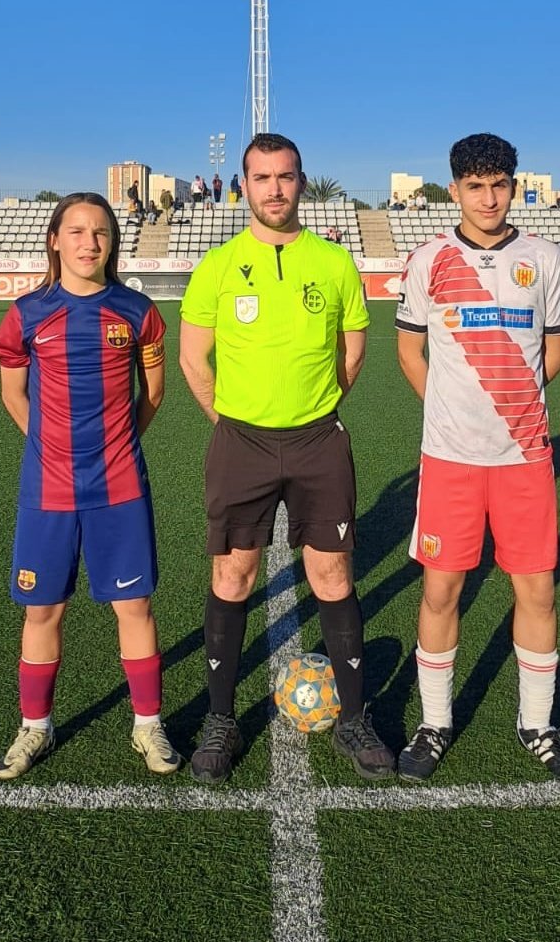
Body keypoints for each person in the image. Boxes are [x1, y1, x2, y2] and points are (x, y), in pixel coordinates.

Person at [179, 132, 394, 785]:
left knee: (331, 574)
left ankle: (353, 719)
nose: (274, 189)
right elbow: (193, 358)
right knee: (233, 575)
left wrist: (315, 410)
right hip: (239, 441)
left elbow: (352, 352)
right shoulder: (218, 266)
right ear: (243, 185)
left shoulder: (334, 263)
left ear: (301, 181)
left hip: (318, 441)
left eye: (286, 176)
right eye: (262, 177)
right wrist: (232, 421)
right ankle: (221, 719)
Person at [393, 132, 560, 784]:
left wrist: (513, 407)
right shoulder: (429, 261)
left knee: (536, 590)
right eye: (474, 186)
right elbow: (409, 351)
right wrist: (450, 409)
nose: (488, 198)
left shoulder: (545, 258)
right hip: (449, 459)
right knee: (441, 589)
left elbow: (553, 352)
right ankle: (435, 723)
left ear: (514, 186)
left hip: (525, 457)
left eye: (499, 185)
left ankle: (538, 725)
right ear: (454, 190)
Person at [0, 192, 180, 781]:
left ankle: (148, 724)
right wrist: (51, 447)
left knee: (135, 605)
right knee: (42, 609)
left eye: (100, 232)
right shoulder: (26, 314)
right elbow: (13, 395)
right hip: (47, 489)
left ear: (113, 242)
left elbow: (153, 393)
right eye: (76, 231)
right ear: (55, 240)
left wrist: (115, 445)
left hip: (119, 484)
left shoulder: (138, 312)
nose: (89, 242)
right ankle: (35, 727)